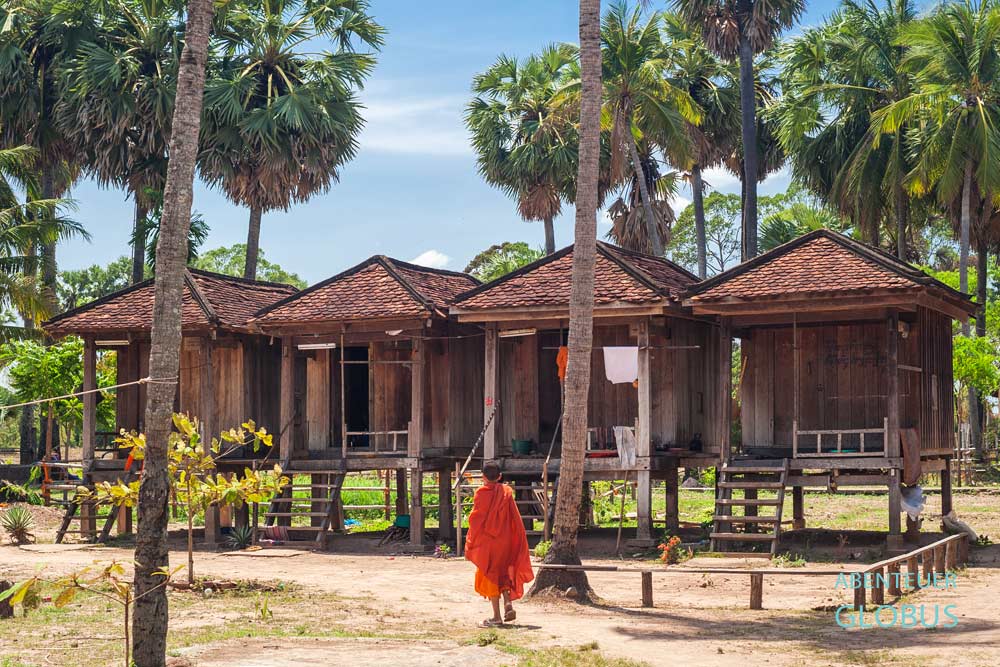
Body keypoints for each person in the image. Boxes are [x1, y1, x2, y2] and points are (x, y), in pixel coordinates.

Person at [464, 459, 534, 627]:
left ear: (483, 477)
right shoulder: (506, 492)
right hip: (505, 540)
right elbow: (515, 519)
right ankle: (508, 602)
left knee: (491, 575)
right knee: (504, 572)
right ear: (500, 476)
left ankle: (496, 617)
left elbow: (476, 519)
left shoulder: (481, 493)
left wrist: (471, 541)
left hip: (489, 542)